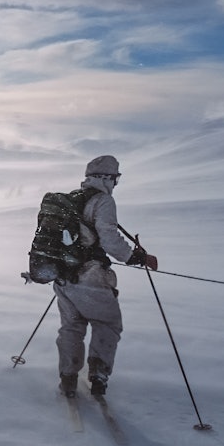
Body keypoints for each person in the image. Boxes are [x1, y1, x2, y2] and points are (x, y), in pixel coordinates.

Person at [55, 155, 156, 398]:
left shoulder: (69, 199)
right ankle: (98, 376)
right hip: (91, 276)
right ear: (106, 178)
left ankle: (68, 378)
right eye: (116, 178)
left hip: (63, 275)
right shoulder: (103, 201)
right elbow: (109, 239)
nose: (116, 183)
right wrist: (136, 257)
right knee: (107, 323)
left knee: (72, 326)